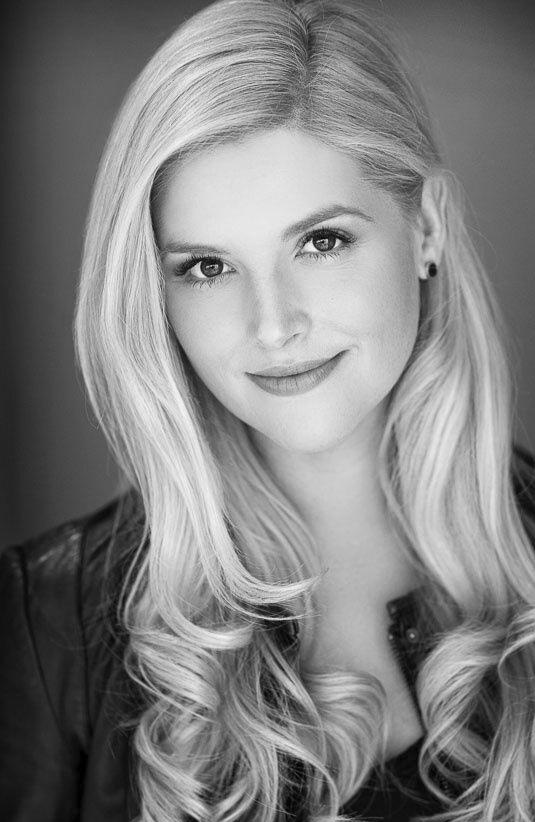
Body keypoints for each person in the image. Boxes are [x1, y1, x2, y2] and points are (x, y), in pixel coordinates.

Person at [1, 0, 534, 820]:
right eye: (208, 267)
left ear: (424, 229)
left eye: (321, 242)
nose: (274, 325)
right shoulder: (38, 630)